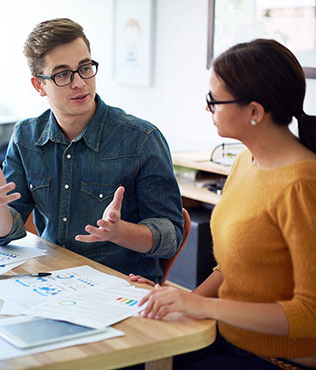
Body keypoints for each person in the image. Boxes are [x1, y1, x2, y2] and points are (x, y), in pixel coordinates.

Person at [130, 39, 316, 369]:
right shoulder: (247, 161)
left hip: (275, 360)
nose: (208, 108)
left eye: (213, 100)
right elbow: (235, 267)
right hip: (226, 336)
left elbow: (309, 315)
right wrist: (185, 300)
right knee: (131, 353)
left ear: (255, 111)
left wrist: (203, 308)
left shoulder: (301, 186)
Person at [0, 18, 184, 283]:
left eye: (85, 68)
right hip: (51, 281)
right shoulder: (27, 136)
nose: (80, 83)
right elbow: (4, 235)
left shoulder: (142, 140)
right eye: (62, 74)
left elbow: (171, 237)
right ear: (39, 85)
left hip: (121, 286)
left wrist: (120, 232)